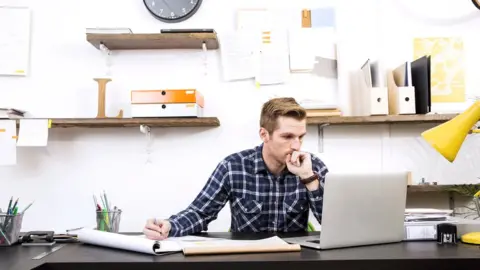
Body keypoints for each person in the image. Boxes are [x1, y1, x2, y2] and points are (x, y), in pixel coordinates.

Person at [143, 97, 329, 240]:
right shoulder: (233, 167)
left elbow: (333, 226)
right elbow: (200, 212)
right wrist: (169, 225)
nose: (297, 146)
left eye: (301, 136)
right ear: (264, 134)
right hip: (249, 260)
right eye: (287, 136)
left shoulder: (312, 167)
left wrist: (308, 178)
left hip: (294, 262)